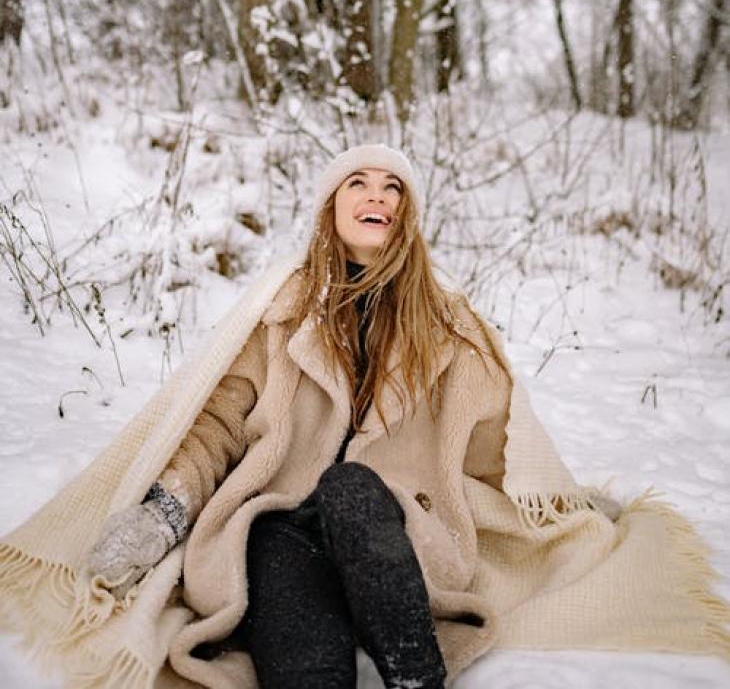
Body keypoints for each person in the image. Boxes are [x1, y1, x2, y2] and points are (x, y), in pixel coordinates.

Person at [0, 144, 728, 689]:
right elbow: (219, 422)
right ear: (332, 205)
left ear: (407, 213)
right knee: (299, 636)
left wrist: (555, 504)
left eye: (393, 188)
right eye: (358, 181)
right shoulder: (280, 310)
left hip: (390, 530)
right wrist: (166, 508)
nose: (376, 195)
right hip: (280, 527)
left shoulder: (446, 326)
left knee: (352, 488)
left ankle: (414, 673)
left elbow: (491, 442)